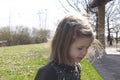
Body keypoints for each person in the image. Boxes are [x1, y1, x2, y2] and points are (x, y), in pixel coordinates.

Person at [34, 14, 94, 80]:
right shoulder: (48, 72)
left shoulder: (77, 68)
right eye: (80, 48)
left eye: (87, 48)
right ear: (64, 44)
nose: (84, 52)